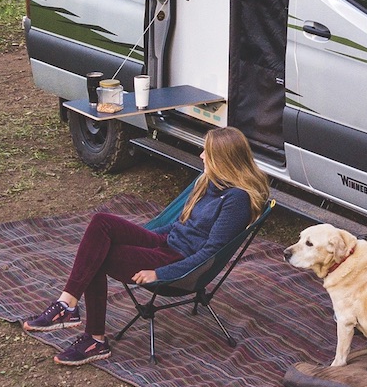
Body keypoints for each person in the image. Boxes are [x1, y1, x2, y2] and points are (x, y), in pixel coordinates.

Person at [25, 125, 271, 365]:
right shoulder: (210, 183)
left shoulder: (237, 200)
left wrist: (160, 273)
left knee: (97, 258)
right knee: (102, 224)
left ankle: (92, 337)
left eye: (207, 152)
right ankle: (67, 305)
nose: (202, 155)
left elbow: (209, 254)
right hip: (165, 242)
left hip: (177, 261)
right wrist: (135, 237)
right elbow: (179, 225)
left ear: (224, 159)